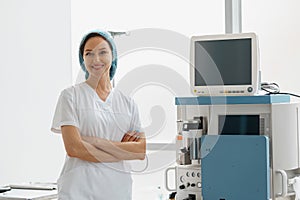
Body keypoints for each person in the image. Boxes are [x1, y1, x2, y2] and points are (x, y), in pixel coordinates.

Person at [51, 30, 146, 200]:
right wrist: (121, 150)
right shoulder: (70, 96)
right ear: (82, 59)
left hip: (117, 191)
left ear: (113, 55)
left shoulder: (127, 103)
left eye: (102, 52)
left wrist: (93, 141)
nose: (96, 59)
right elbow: (74, 149)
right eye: (89, 54)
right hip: (79, 192)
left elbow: (139, 151)